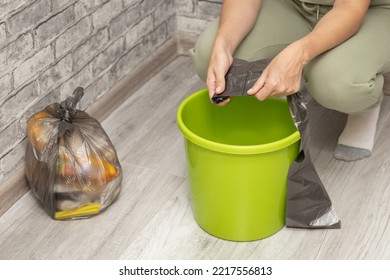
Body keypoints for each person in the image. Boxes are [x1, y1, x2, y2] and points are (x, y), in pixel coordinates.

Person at [188, 0, 390, 161]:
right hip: (293, 5)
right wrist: (224, 44)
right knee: (209, 56)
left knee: (338, 82)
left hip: (370, 10)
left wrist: (299, 54)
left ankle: (363, 103)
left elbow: (349, 8)